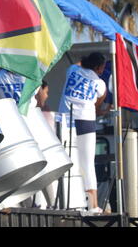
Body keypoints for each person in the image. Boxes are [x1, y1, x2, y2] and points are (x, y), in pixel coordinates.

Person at [58, 52, 108, 214]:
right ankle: (93, 205)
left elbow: (80, 63)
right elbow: (97, 104)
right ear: (98, 67)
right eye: (102, 67)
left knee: (65, 160)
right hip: (86, 121)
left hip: (65, 119)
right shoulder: (100, 84)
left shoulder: (72, 69)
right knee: (87, 164)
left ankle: (64, 201)